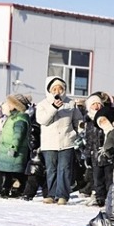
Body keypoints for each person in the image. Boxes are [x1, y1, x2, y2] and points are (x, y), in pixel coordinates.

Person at [35, 76, 83, 205]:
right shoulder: (43, 104)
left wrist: (79, 133)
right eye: (54, 89)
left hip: (67, 141)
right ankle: (51, 194)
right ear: (50, 90)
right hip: (49, 143)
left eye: (60, 88)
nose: (57, 91)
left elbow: (78, 120)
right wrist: (53, 108)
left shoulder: (70, 103)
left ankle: (62, 195)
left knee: (65, 169)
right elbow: (42, 121)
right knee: (51, 170)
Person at [0, 94, 32, 198]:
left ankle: (15, 189)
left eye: (10, 104)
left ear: (16, 105)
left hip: (13, 150)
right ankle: (5, 188)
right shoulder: (12, 117)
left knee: (14, 172)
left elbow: (18, 135)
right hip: (6, 149)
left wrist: (14, 147)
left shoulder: (19, 119)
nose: (7, 105)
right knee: (7, 172)